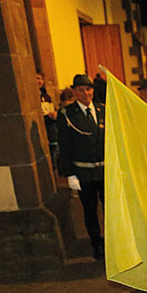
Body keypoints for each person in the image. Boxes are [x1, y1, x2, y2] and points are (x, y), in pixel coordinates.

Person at [57, 74, 106, 260]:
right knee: (90, 210)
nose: (86, 93)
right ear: (74, 92)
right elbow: (65, 146)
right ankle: (96, 243)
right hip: (84, 172)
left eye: (88, 89)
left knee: (110, 209)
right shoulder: (67, 114)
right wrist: (70, 174)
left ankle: (113, 242)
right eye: (81, 90)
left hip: (104, 170)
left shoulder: (103, 110)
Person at [37, 70, 59, 175]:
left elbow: (51, 108)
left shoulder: (46, 96)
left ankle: (55, 169)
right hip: (42, 125)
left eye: (40, 79)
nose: (39, 81)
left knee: (54, 147)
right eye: (37, 79)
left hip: (50, 124)